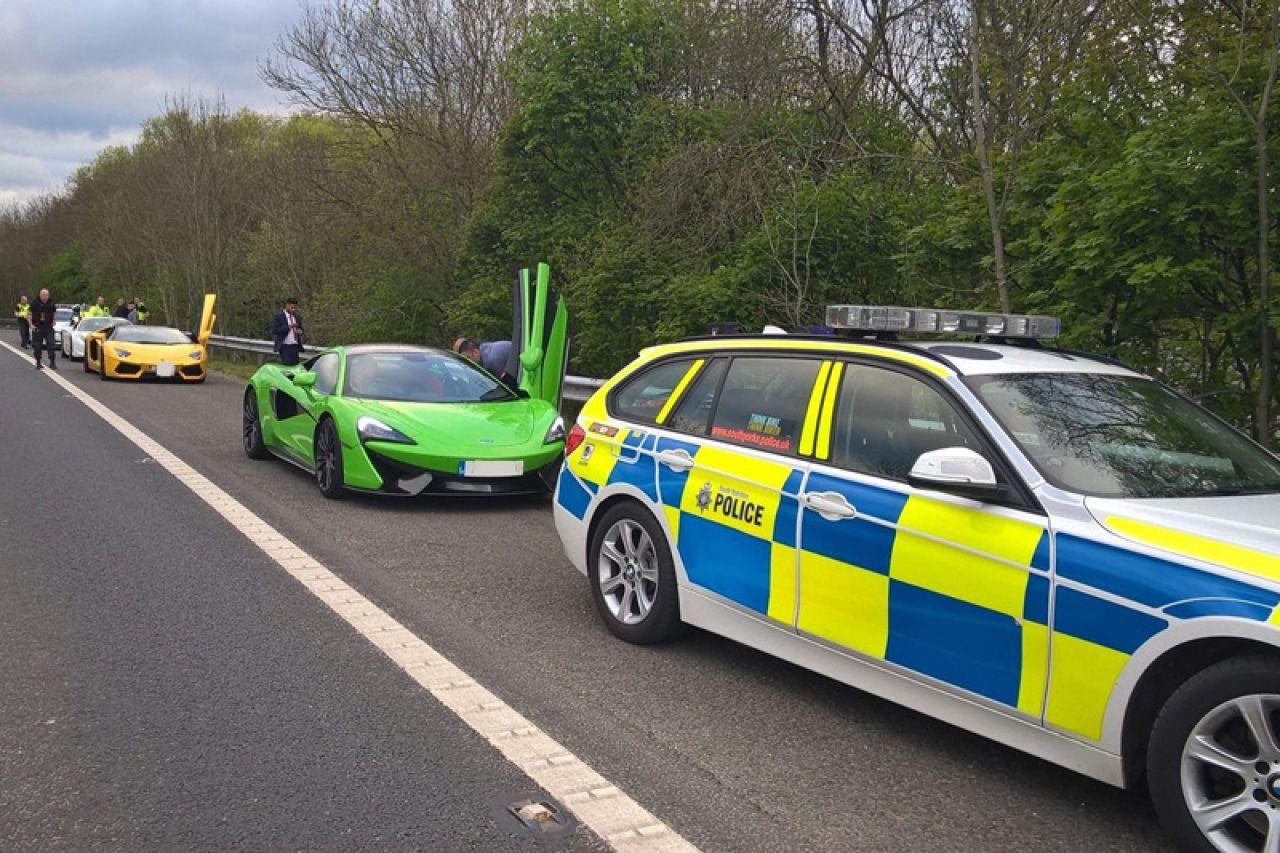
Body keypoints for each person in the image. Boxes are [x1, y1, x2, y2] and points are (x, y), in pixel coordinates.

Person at [28, 288, 57, 370]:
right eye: (43, 295)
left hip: (48, 326)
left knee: (51, 344)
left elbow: (54, 312)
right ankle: (38, 363)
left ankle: (52, 362)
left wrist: (54, 320)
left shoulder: (51, 303)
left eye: (46, 295)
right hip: (38, 326)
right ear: (40, 295)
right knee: (37, 346)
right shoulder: (34, 303)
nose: (45, 297)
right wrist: (31, 325)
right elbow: (29, 314)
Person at [271, 298, 305, 366]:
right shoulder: (279, 316)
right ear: (287, 305)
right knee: (287, 367)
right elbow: (275, 330)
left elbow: (301, 329)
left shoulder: (297, 317)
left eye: (295, 308)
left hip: (295, 346)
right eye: (292, 307)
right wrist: (289, 327)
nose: (293, 309)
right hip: (285, 346)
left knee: (296, 367)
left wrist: (300, 332)